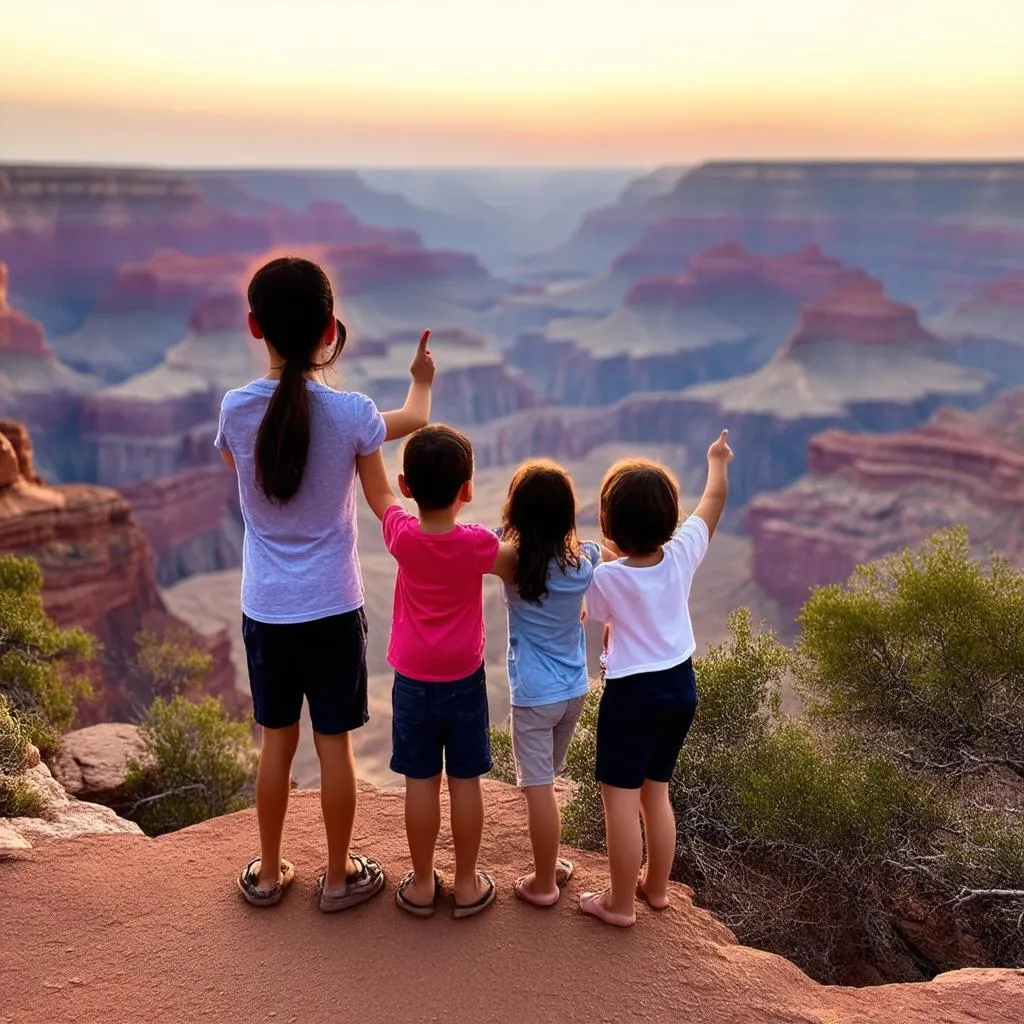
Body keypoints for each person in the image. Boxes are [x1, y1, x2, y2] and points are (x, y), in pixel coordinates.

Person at [216, 255, 435, 911]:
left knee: (275, 745)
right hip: (334, 608)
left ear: (255, 327)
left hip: (267, 610)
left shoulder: (235, 410)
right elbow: (406, 434)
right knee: (332, 745)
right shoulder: (352, 415)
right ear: (329, 330)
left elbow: (240, 458)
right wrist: (421, 382)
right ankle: (339, 878)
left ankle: (269, 871)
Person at [359, 424, 515, 919]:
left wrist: (364, 438)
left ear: (409, 487)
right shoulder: (475, 545)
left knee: (420, 781)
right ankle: (467, 884)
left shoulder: (402, 536)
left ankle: (424, 883)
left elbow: (379, 493)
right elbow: (518, 562)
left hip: (411, 682)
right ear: (468, 490)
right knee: (465, 781)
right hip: (465, 681)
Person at [580, 430, 733, 927]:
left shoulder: (606, 577)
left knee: (619, 801)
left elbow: (595, 616)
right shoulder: (684, 552)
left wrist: (605, 560)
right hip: (680, 687)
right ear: (671, 520)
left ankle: (620, 904)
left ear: (609, 526)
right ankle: (657, 888)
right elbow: (713, 500)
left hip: (631, 696)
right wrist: (717, 460)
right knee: (656, 791)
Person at [497, 460, 601, 907]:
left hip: (536, 697)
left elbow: (470, 548)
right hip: (574, 691)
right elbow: (608, 554)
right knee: (550, 781)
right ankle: (552, 860)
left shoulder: (513, 562)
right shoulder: (585, 560)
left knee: (537, 788)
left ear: (516, 514)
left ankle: (543, 883)